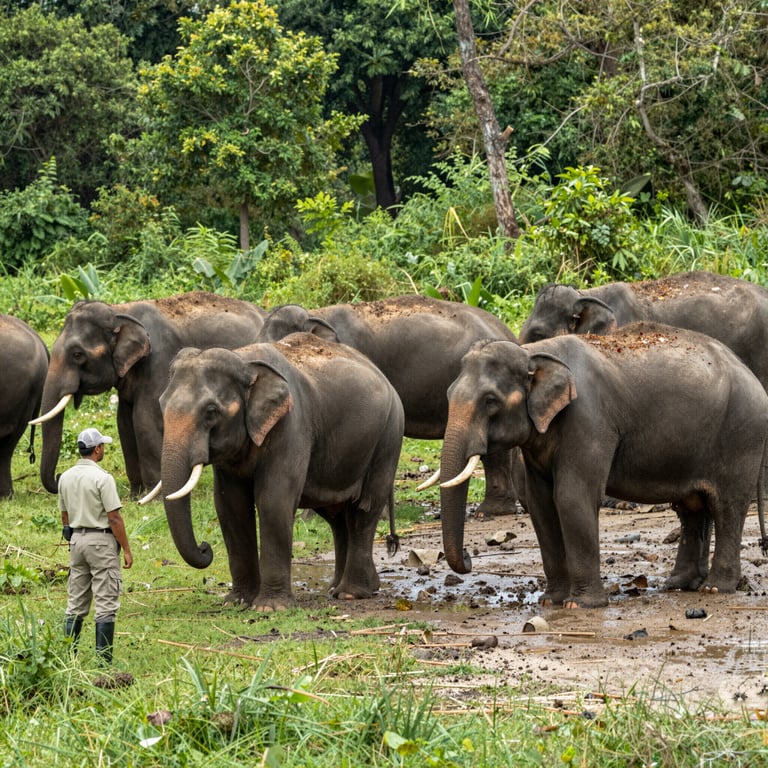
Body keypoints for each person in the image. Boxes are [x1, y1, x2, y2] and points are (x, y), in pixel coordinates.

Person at [60, 427, 133, 665]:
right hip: (100, 541)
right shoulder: (103, 478)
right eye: (103, 446)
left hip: (76, 540)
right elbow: (114, 518)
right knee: (106, 602)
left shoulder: (66, 477)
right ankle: (103, 663)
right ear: (97, 449)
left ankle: (68, 659)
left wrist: (72, 536)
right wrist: (127, 549)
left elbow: (65, 516)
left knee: (76, 602)